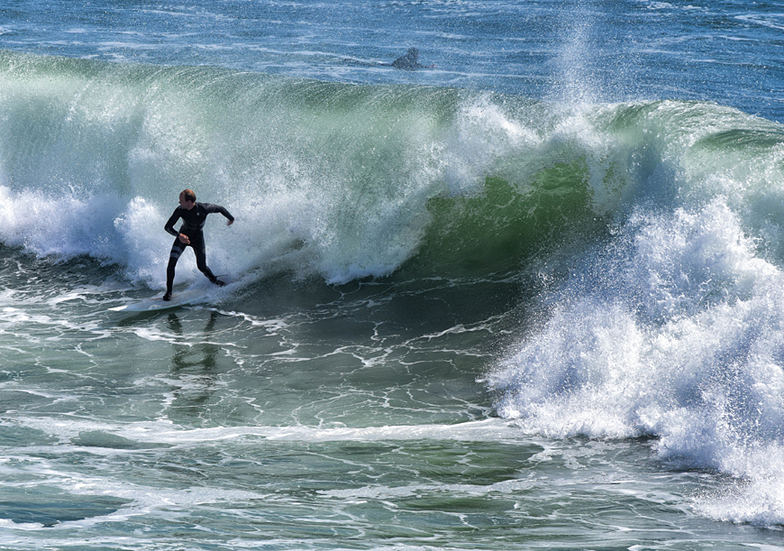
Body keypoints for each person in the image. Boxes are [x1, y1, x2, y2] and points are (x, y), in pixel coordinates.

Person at [163, 189, 234, 301]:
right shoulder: (180, 210)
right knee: (171, 263)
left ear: (189, 201)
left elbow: (220, 209)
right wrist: (179, 235)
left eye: (181, 200)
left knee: (201, 266)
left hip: (197, 239)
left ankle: (214, 280)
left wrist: (231, 218)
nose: (179, 202)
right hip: (183, 237)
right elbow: (167, 227)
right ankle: (169, 292)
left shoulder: (204, 208)